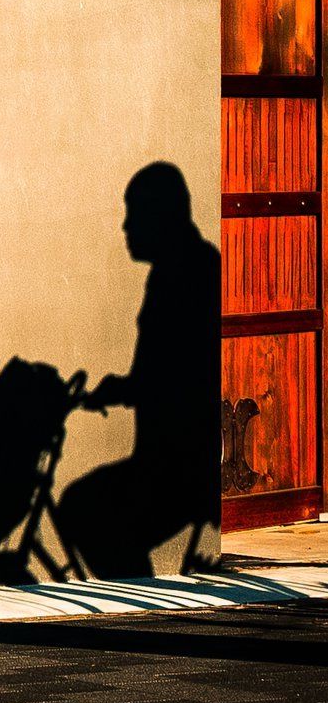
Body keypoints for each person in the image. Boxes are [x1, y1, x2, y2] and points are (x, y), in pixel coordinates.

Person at [56, 162, 220, 578]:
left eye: (135, 213)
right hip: (172, 459)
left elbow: (179, 374)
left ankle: (145, 604)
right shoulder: (180, 268)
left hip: (180, 465)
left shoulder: (185, 274)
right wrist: (124, 387)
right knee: (92, 510)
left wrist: (124, 389)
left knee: (84, 508)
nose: (126, 226)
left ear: (161, 215)